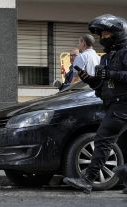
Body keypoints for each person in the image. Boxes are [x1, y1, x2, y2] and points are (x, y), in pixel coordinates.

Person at [63, 14, 127, 194]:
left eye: (106, 34)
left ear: (118, 33)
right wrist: (90, 80)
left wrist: (111, 74)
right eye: (101, 35)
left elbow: (117, 77)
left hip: (122, 106)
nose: (102, 38)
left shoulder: (124, 53)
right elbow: (102, 85)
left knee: (102, 140)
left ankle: (88, 179)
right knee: (122, 144)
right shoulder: (106, 57)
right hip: (111, 105)